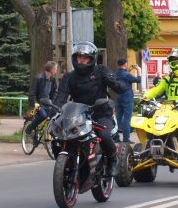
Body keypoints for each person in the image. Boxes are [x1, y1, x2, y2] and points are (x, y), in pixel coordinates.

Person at [54, 41, 127, 176]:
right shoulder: (69, 77)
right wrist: (54, 112)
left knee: (103, 136)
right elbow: (61, 97)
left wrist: (113, 82)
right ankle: (69, 163)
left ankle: (113, 160)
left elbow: (119, 87)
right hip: (79, 114)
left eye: (85, 57)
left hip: (100, 112)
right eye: (79, 57)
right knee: (61, 136)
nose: (81, 60)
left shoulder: (101, 70)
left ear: (92, 58)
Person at [26, 61, 59, 142]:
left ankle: (47, 133)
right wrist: (36, 105)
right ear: (51, 69)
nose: (56, 70)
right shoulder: (38, 78)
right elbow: (32, 94)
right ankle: (29, 129)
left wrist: (52, 102)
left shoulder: (53, 80)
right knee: (43, 115)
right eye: (55, 69)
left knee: (56, 115)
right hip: (37, 103)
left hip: (47, 103)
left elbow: (55, 92)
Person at [115, 58, 141, 143]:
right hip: (127, 98)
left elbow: (124, 78)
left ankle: (116, 137)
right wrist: (138, 70)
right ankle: (126, 139)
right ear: (125, 64)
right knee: (127, 119)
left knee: (118, 118)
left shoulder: (116, 73)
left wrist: (129, 70)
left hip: (118, 97)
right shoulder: (126, 75)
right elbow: (138, 80)